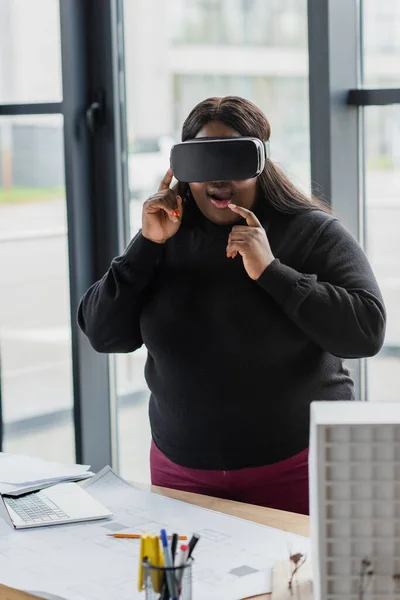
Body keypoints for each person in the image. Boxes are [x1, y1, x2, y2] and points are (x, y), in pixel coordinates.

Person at [78, 96, 386, 515]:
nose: (219, 179)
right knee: (184, 578)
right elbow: (103, 333)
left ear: (260, 160)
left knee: (295, 582)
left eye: (234, 158)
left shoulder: (310, 231)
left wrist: (273, 271)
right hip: (181, 473)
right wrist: (144, 247)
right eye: (204, 161)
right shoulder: (164, 237)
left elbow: (366, 331)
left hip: (299, 466)